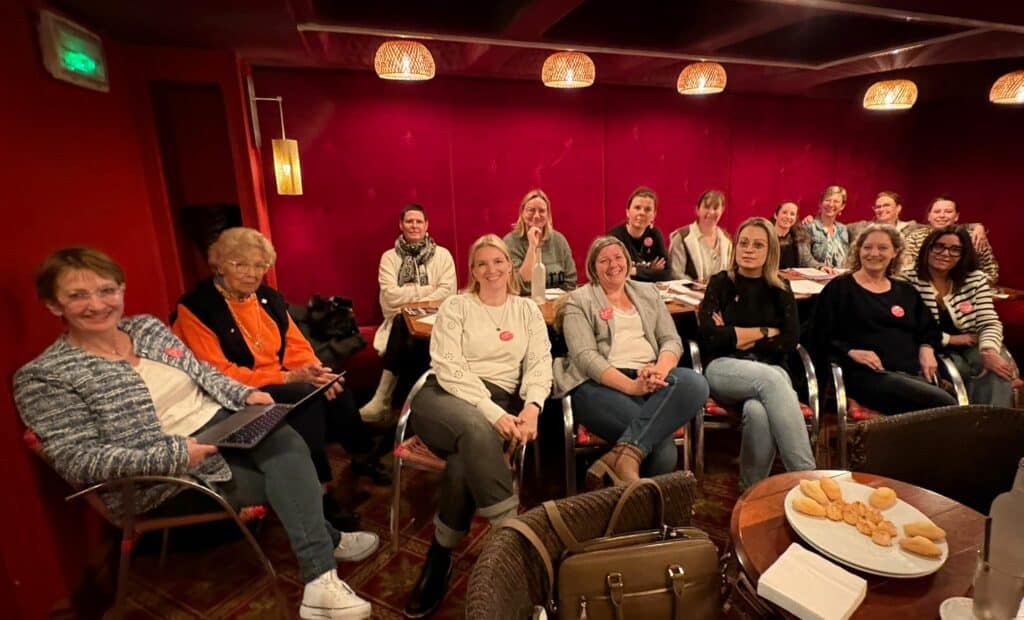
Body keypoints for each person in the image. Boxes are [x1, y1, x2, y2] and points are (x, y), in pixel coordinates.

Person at [14, 247, 379, 620]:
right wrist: (175, 454)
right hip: (162, 473)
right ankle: (322, 569)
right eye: (78, 295)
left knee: (287, 438)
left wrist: (244, 394)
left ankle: (321, 564)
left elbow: (201, 373)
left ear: (121, 290)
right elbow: (77, 461)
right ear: (54, 305)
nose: (96, 304)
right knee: (290, 467)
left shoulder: (146, 329)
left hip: (222, 425)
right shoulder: (46, 376)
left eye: (106, 290)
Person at [170, 228, 389, 528]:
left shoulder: (268, 298)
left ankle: (362, 456)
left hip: (281, 378)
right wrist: (289, 379)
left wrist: (316, 371)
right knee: (305, 398)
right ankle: (319, 491)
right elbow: (216, 373)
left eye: (259, 265)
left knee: (334, 386)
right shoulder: (196, 308)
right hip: (236, 391)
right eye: (240, 264)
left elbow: (296, 345)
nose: (251, 273)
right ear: (219, 265)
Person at [403, 235, 552, 618]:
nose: (492, 270)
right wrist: (492, 413)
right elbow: (448, 367)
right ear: (473, 270)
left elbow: (540, 362)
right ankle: (512, 538)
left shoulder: (527, 309)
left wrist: (533, 406)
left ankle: (439, 555)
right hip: (443, 397)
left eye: (498, 261)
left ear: (510, 265)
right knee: (475, 428)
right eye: (482, 263)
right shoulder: (456, 306)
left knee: (463, 460)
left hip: (498, 403)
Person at [554, 236, 707, 488]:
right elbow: (585, 357)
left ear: (627, 261)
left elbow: (671, 340)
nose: (613, 264)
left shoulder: (648, 292)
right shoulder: (578, 300)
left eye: (618, 257)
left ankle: (620, 461)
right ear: (593, 268)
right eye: (604, 260)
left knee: (695, 382)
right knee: (663, 451)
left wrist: (658, 371)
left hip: (649, 377)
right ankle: (637, 504)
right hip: (597, 385)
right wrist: (632, 386)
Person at [697, 218, 816, 489]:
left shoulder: (781, 287)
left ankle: (751, 490)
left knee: (758, 411)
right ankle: (807, 479)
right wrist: (766, 332)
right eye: (744, 243)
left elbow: (789, 341)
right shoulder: (721, 283)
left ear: (770, 250)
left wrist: (736, 336)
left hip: (770, 371)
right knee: (771, 380)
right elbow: (710, 336)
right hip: (724, 368)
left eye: (758, 245)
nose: (749, 250)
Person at [812, 225, 957, 414]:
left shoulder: (906, 291)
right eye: (867, 247)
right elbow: (817, 334)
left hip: (912, 373)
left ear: (895, 252)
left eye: (882, 248)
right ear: (859, 250)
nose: (874, 253)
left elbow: (929, 329)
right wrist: (850, 351)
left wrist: (926, 347)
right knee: (944, 403)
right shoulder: (840, 289)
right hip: (866, 374)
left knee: (939, 404)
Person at [361, 204, 456, 422]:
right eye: (409, 221)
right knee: (402, 324)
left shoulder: (442, 255)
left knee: (412, 336)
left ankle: (389, 402)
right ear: (401, 225)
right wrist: (428, 290)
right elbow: (389, 297)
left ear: (426, 225)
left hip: (436, 321)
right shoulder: (389, 258)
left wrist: (409, 296)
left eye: (419, 221)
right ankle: (410, 411)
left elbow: (447, 294)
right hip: (397, 322)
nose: (414, 226)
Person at [902, 226, 1016, 407]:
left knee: (997, 368)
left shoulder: (975, 279)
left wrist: (989, 351)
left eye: (955, 249)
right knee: (960, 370)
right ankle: (967, 420)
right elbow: (907, 326)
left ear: (963, 254)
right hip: (931, 346)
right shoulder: (907, 279)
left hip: (973, 342)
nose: (945, 253)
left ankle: (990, 421)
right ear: (927, 248)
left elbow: (989, 322)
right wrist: (951, 339)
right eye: (939, 246)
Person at [903, 196, 999, 284]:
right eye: (937, 212)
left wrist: (971, 286)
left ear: (956, 216)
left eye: (948, 212)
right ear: (929, 216)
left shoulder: (974, 237)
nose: (942, 215)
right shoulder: (915, 236)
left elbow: (991, 272)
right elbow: (906, 268)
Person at [502, 188, 578, 296]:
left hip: (558, 301)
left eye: (542, 211)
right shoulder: (510, 242)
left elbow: (571, 280)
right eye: (531, 210)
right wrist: (532, 246)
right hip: (524, 302)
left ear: (548, 214)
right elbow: (518, 285)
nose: (536, 216)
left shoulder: (559, 240)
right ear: (522, 213)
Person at [608, 186, 673, 282]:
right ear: (627, 212)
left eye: (647, 209)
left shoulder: (655, 234)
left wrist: (634, 271)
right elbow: (614, 274)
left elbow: (667, 274)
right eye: (637, 208)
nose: (642, 213)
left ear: (653, 215)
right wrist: (650, 271)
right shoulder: (614, 237)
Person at [669, 189, 734, 281]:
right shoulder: (682, 237)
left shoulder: (727, 240)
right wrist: (696, 285)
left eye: (715, 208)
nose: (711, 212)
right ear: (697, 210)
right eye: (706, 207)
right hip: (688, 290)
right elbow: (675, 273)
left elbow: (730, 273)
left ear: (722, 211)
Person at [803, 185, 850, 269]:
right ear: (820, 203)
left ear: (842, 206)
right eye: (827, 200)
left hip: (841, 274)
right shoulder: (809, 226)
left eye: (836, 201)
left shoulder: (843, 229)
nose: (831, 204)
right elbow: (804, 258)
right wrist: (820, 267)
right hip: (818, 274)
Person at [846, 191, 917, 242]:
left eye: (886, 205)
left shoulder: (912, 230)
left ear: (898, 208)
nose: (881, 209)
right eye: (878, 207)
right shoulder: (861, 228)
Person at [772, 201, 816, 270]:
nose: (788, 217)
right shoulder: (765, 235)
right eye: (784, 212)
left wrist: (821, 267)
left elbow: (808, 261)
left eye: (792, 214)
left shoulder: (801, 237)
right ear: (775, 215)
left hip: (793, 276)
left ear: (795, 218)